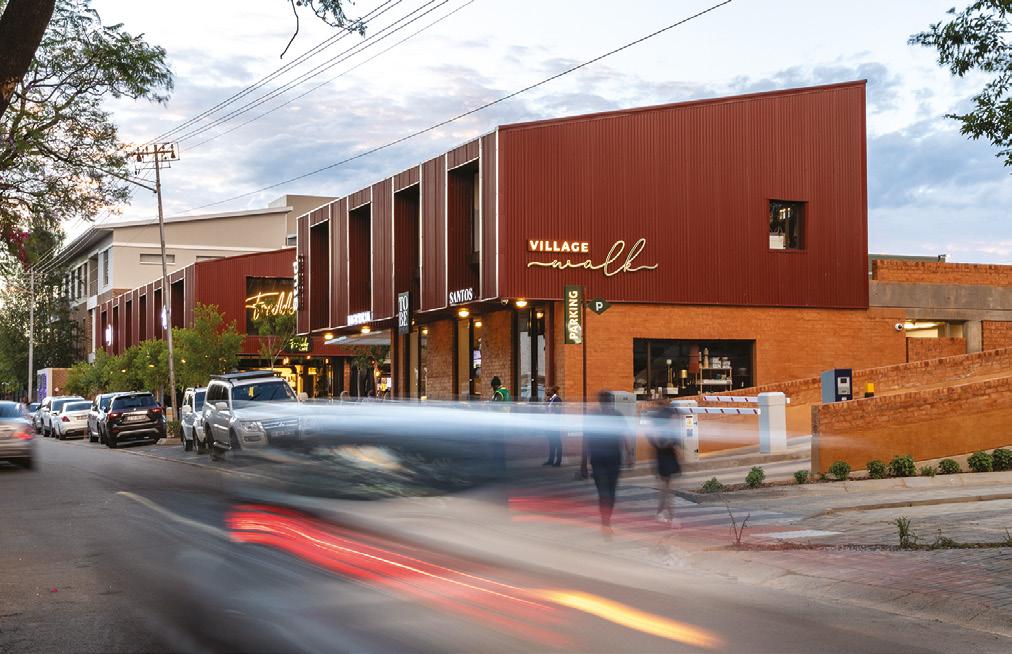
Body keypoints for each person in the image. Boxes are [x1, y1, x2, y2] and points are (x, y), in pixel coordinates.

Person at [589, 391, 626, 535]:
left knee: (606, 492)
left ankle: (606, 522)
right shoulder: (616, 415)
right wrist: (629, 454)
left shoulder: (597, 416)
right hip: (609, 458)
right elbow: (624, 435)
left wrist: (583, 463)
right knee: (608, 491)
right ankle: (606, 522)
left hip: (603, 459)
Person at [646, 401, 681, 525]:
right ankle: (671, 516)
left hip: (663, 457)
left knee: (665, 488)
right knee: (667, 488)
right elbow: (669, 442)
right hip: (666, 458)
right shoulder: (666, 426)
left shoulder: (656, 421)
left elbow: (651, 437)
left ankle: (660, 513)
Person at [543, 386, 562, 466]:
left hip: (555, 424)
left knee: (557, 442)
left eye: (548, 390)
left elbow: (558, 412)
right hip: (549, 424)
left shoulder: (557, 399)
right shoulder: (550, 399)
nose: (546, 391)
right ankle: (551, 460)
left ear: (553, 391)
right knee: (551, 442)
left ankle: (558, 461)